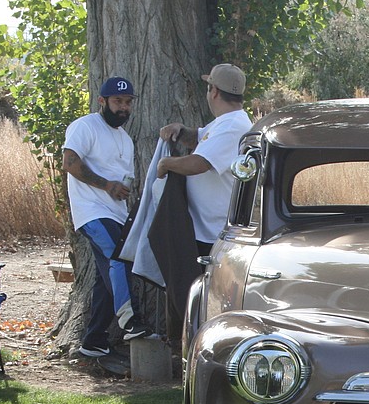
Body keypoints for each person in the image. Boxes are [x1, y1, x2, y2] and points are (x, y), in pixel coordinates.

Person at [62, 76, 155, 358]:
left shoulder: (125, 140)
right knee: (117, 258)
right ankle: (130, 321)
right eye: (117, 102)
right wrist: (107, 186)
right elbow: (70, 163)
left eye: (128, 103)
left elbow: (121, 180)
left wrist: (122, 191)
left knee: (106, 278)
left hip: (116, 213)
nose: (123, 108)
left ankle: (94, 341)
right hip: (91, 211)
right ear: (102, 101)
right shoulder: (85, 126)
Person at [156, 63, 254, 255]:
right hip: (206, 229)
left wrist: (165, 164)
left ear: (215, 91)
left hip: (215, 234)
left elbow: (199, 163)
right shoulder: (227, 121)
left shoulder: (232, 125)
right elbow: (200, 138)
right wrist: (181, 130)